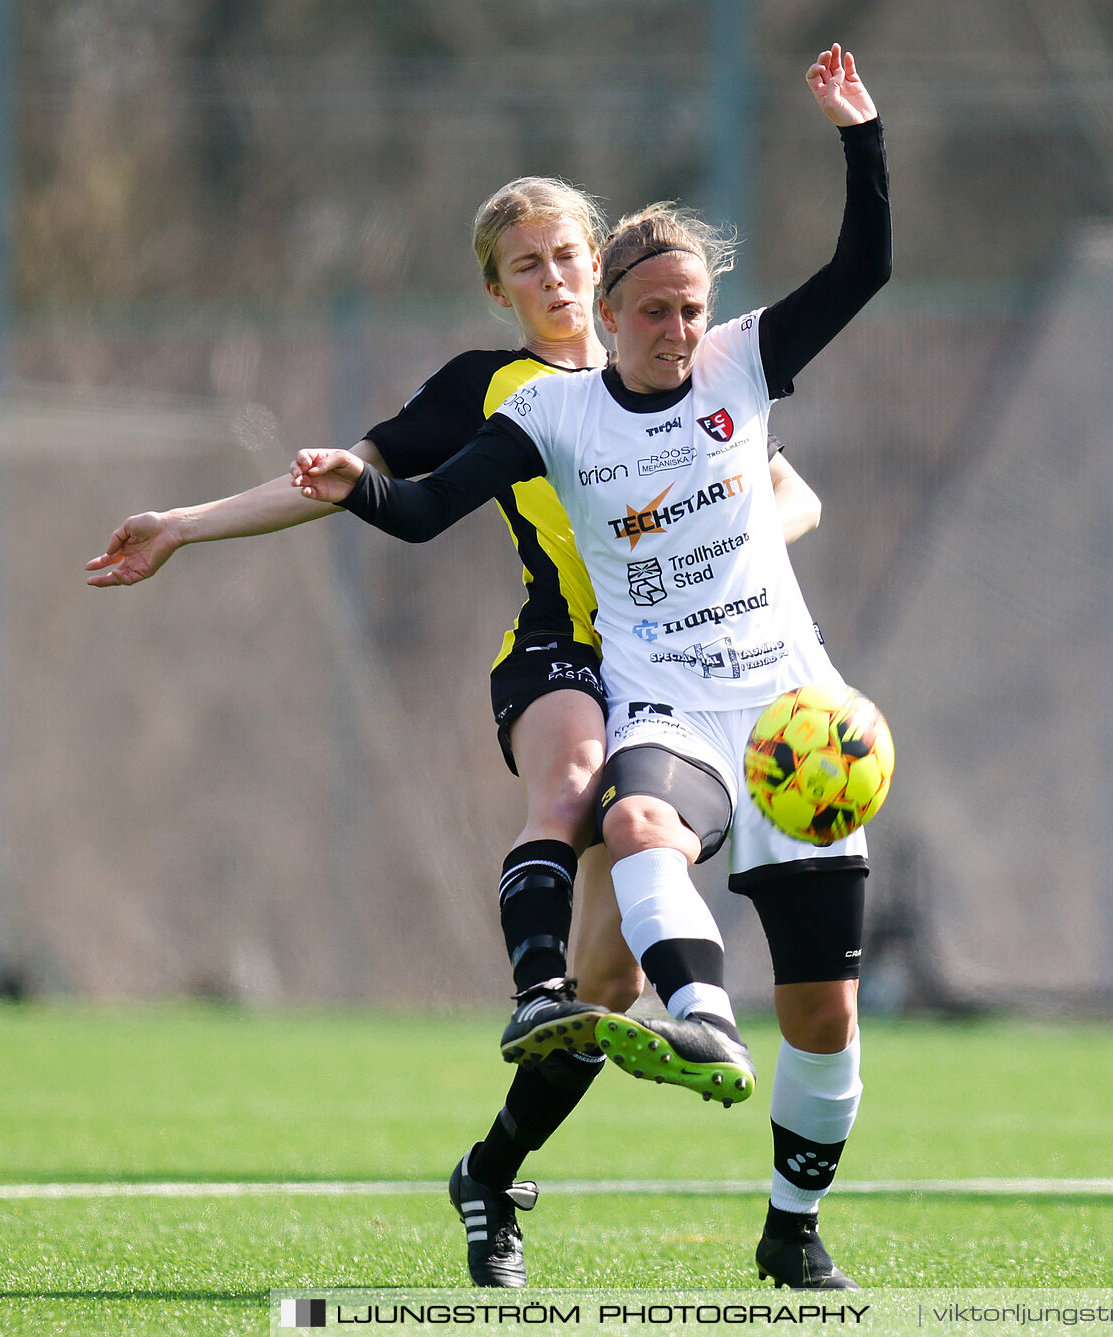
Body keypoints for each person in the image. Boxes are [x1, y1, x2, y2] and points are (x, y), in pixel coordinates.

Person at [84, 174, 823, 1288]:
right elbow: (352, 482)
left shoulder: (679, 358)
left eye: (569, 253)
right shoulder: (490, 391)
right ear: (498, 289)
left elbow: (794, 492)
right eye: (528, 265)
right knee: (572, 787)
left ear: (602, 262)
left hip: (672, 678)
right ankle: (529, 991)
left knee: (610, 987)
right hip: (560, 653)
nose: (557, 277)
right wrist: (186, 525)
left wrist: (732, 547)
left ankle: (491, 1168)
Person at [293, 43, 890, 1291]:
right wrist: (356, 485)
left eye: (692, 307)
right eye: (654, 310)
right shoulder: (546, 411)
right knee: (630, 814)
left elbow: (864, 268)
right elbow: (417, 512)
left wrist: (858, 135)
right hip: (665, 700)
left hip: (795, 709)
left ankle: (790, 1227)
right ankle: (700, 1016)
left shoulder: (743, 362)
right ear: (603, 317)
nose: (678, 329)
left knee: (822, 1018)